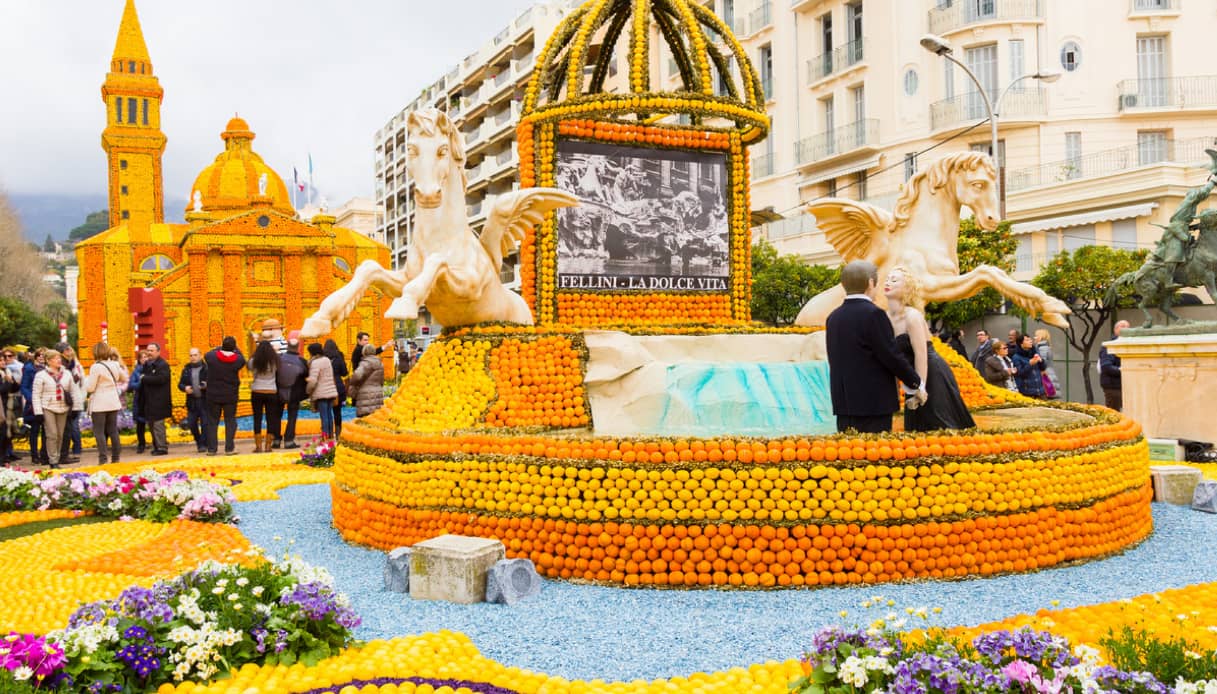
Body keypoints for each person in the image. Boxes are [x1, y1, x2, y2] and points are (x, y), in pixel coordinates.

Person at [825, 260, 924, 434]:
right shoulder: (874, 314)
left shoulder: (833, 318)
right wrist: (916, 383)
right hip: (873, 403)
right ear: (871, 283)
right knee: (874, 455)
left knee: (849, 454)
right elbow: (890, 355)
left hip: (844, 404)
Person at [883, 267, 975, 431]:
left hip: (931, 373)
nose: (888, 282)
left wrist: (921, 387)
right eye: (888, 278)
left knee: (940, 425)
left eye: (894, 280)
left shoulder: (912, 316)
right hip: (913, 377)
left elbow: (921, 354)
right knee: (917, 430)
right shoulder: (885, 318)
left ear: (907, 288)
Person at [85, 343, 128, 465]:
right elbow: (124, 378)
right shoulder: (114, 364)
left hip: (99, 402)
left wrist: (86, 380)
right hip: (113, 401)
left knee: (99, 432)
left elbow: (90, 388)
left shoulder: (96, 367)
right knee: (113, 430)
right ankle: (116, 457)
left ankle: (103, 458)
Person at [204, 337, 246, 456]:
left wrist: (219, 348)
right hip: (230, 395)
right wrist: (235, 349)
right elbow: (242, 357)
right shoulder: (238, 360)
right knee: (230, 421)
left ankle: (212, 449)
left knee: (212, 422)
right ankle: (229, 448)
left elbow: (208, 354)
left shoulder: (212, 358)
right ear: (234, 347)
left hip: (213, 395)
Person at [32, 350, 73, 468]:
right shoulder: (41, 375)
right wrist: (38, 411)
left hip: (63, 407)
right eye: (55, 358)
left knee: (60, 435)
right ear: (48, 361)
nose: (59, 360)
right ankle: (53, 461)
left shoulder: (67, 373)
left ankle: (57, 457)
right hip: (47, 407)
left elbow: (72, 390)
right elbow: (36, 394)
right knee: (52, 434)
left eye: (59, 358)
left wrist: (75, 407)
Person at [138, 343, 173, 456]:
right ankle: (156, 445)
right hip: (149, 400)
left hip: (159, 400)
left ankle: (162, 447)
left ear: (158, 352)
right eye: (148, 350)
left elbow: (162, 379)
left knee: (158, 425)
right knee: (151, 424)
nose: (149, 353)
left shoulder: (162, 364)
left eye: (152, 350)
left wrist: (145, 378)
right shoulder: (147, 364)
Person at [248, 340, 281, 453]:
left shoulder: (254, 361)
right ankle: (268, 445)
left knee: (257, 418)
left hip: (257, 390)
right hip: (271, 391)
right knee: (270, 418)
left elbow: (249, 368)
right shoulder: (275, 361)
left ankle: (258, 446)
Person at [276, 338, 309, 449]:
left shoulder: (279, 359)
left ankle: (276, 439)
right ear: (298, 347)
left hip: (278, 392)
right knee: (292, 417)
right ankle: (289, 440)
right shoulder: (301, 361)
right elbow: (307, 375)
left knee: (277, 416)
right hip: (294, 393)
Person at [177, 348, 209, 453]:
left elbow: (212, 381)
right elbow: (180, 384)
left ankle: (203, 444)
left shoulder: (206, 368)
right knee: (191, 423)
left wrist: (206, 385)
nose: (193, 357)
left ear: (200, 355)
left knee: (205, 424)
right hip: (192, 401)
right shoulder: (186, 369)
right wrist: (185, 388)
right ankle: (199, 441)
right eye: (191, 355)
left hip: (204, 400)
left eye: (195, 355)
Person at [20, 348, 49, 464]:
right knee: (35, 430)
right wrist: (32, 399)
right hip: (33, 403)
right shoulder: (29, 369)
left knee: (46, 430)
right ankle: (34, 455)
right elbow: (24, 386)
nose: (41, 357)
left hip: (46, 402)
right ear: (36, 356)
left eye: (44, 355)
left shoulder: (47, 369)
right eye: (39, 355)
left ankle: (44, 454)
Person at [58, 344, 85, 463]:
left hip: (75, 399)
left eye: (70, 349)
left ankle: (76, 450)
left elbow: (81, 382)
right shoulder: (62, 367)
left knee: (72, 426)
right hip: (64, 401)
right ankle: (65, 453)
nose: (69, 352)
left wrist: (82, 397)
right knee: (67, 428)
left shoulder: (75, 365)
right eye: (66, 350)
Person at [306, 343, 338, 438]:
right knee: (329, 414)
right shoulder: (327, 359)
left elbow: (313, 380)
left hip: (321, 392)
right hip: (330, 391)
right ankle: (330, 435)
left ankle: (325, 436)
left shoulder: (315, 362)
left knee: (324, 416)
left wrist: (308, 390)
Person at [1099, 320, 1130, 411]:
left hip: (1126, 385)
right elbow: (1106, 366)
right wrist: (1124, 370)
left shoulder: (1128, 345)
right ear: (1115, 330)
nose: (1126, 328)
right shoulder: (1110, 346)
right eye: (1122, 326)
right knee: (1114, 413)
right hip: (1113, 387)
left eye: (1128, 326)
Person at [348, 344, 385, 417]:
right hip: (378, 393)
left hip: (366, 394)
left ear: (364, 352)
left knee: (365, 419)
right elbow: (381, 380)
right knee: (375, 419)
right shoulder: (380, 363)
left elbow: (357, 375)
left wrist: (352, 382)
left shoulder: (366, 363)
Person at [323, 339, 348, 437]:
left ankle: (328, 433)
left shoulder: (322, 358)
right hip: (338, 387)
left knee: (326, 411)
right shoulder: (339, 358)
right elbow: (344, 372)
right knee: (337, 411)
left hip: (325, 386)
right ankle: (338, 432)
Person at [1010, 333, 1047, 398]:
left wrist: (1041, 361)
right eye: (1027, 340)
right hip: (1027, 393)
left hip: (1041, 392)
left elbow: (1043, 368)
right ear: (1021, 344)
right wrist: (1030, 364)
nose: (1030, 341)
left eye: (1030, 339)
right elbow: (1019, 373)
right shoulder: (1016, 357)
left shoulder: (1034, 352)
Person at [128, 350, 149, 454]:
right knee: (140, 424)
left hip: (150, 399)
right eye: (142, 357)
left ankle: (157, 442)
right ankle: (141, 444)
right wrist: (141, 381)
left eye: (146, 357)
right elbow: (131, 385)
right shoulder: (136, 372)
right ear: (139, 360)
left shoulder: (152, 369)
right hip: (140, 399)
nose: (144, 359)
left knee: (153, 423)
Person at [1033, 329, 1061, 399]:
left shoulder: (1042, 349)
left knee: (1044, 397)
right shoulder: (1046, 347)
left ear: (1040, 337)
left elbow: (1042, 363)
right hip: (1049, 374)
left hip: (1045, 376)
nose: (1034, 338)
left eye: (1036, 336)